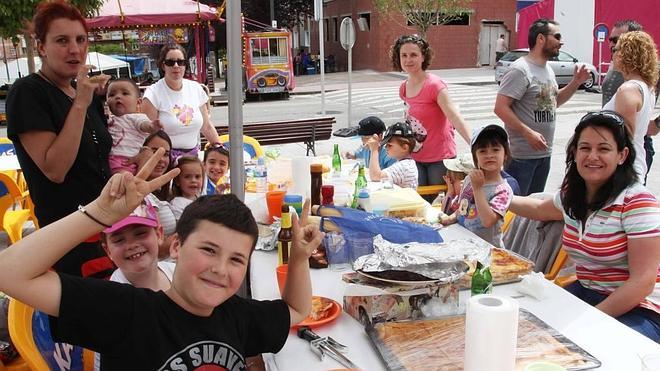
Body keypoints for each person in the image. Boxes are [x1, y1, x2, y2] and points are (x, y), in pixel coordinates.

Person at [0, 149, 325, 369]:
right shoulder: (127, 312)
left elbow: (296, 309)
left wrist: (297, 258)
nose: (220, 269)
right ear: (176, 247)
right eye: (209, 250)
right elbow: (9, 272)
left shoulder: (235, 315)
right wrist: (97, 215)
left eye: (237, 260)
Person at [508, 110, 660, 342]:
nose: (593, 156)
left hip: (642, 308)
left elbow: (643, 282)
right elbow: (539, 210)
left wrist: (589, 320)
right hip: (588, 292)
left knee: (591, 346)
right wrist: (500, 197)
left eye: (604, 148)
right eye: (585, 148)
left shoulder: (637, 202)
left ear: (622, 154)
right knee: (528, 329)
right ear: (575, 152)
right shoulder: (574, 196)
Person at [5, 0, 114, 278]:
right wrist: (79, 105)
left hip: (107, 229)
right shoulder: (28, 92)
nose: (74, 49)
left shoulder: (84, 93)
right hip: (67, 239)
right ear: (41, 46)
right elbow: (55, 169)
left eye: (80, 39)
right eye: (62, 40)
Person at [494, 19, 590, 196]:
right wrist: (527, 132)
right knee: (516, 210)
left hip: (543, 154)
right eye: (557, 36)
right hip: (521, 157)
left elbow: (553, 103)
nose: (561, 42)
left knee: (533, 207)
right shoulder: (520, 70)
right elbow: (500, 108)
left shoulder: (548, 70)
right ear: (540, 39)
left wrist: (576, 82)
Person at [95, 201, 173, 369]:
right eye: (118, 239)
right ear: (108, 250)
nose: (131, 245)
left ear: (159, 234)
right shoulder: (109, 303)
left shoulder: (178, 273)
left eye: (140, 233)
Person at [390, 34, 471, 186]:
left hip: (440, 158)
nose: (408, 60)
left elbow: (454, 116)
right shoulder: (403, 88)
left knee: (439, 202)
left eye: (413, 55)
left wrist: (475, 144)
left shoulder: (434, 85)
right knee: (418, 202)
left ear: (423, 57)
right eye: (404, 55)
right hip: (415, 157)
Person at [142, 44, 220, 159]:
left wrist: (218, 147)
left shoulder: (196, 88)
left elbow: (206, 126)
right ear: (163, 66)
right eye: (170, 62)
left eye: (180, 62)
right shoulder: (152, 93)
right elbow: (147, 135)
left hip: (192, 158)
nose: (176, 66)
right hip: (163, 160)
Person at [441, 125, 514, 248]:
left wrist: (478, 189)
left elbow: (488, 221)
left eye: (495, 150)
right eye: (483, 151)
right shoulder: (470, 178)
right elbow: (464, 206)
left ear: (505, 155)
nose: (489, 155)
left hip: (487, 250)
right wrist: (452, 217)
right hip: (463, 241)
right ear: (476, 157)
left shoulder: (503, 190)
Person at [603, 30, 658, 181]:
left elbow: (623, 139)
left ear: (627, 53)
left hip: (622, 171)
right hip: (633, 166)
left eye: (615, 49)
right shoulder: (647, 88)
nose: (612, 54)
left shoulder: (628, 90)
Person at [106, 78, 161, 174]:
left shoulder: (136, 118)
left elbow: (143, 125)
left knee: (123, 180)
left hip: (126, 162)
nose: (118, 97)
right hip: (109, 161)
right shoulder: (110, 119)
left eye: (125, 93)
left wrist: (151, 126)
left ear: (138, 102)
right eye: (112, 94)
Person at [137, 131, 177, 259]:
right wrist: (192, 227)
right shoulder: (137, 197)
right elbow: (155, 251)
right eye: (154, 151)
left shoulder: (169, 193)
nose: (161, 160)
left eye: (166, 154)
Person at [367, 121, 418, 189]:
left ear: (405, 148)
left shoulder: (403, 166)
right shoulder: (407, 163)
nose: (386, 147)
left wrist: (374, 150)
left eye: (390, 145)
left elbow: (375, 176)